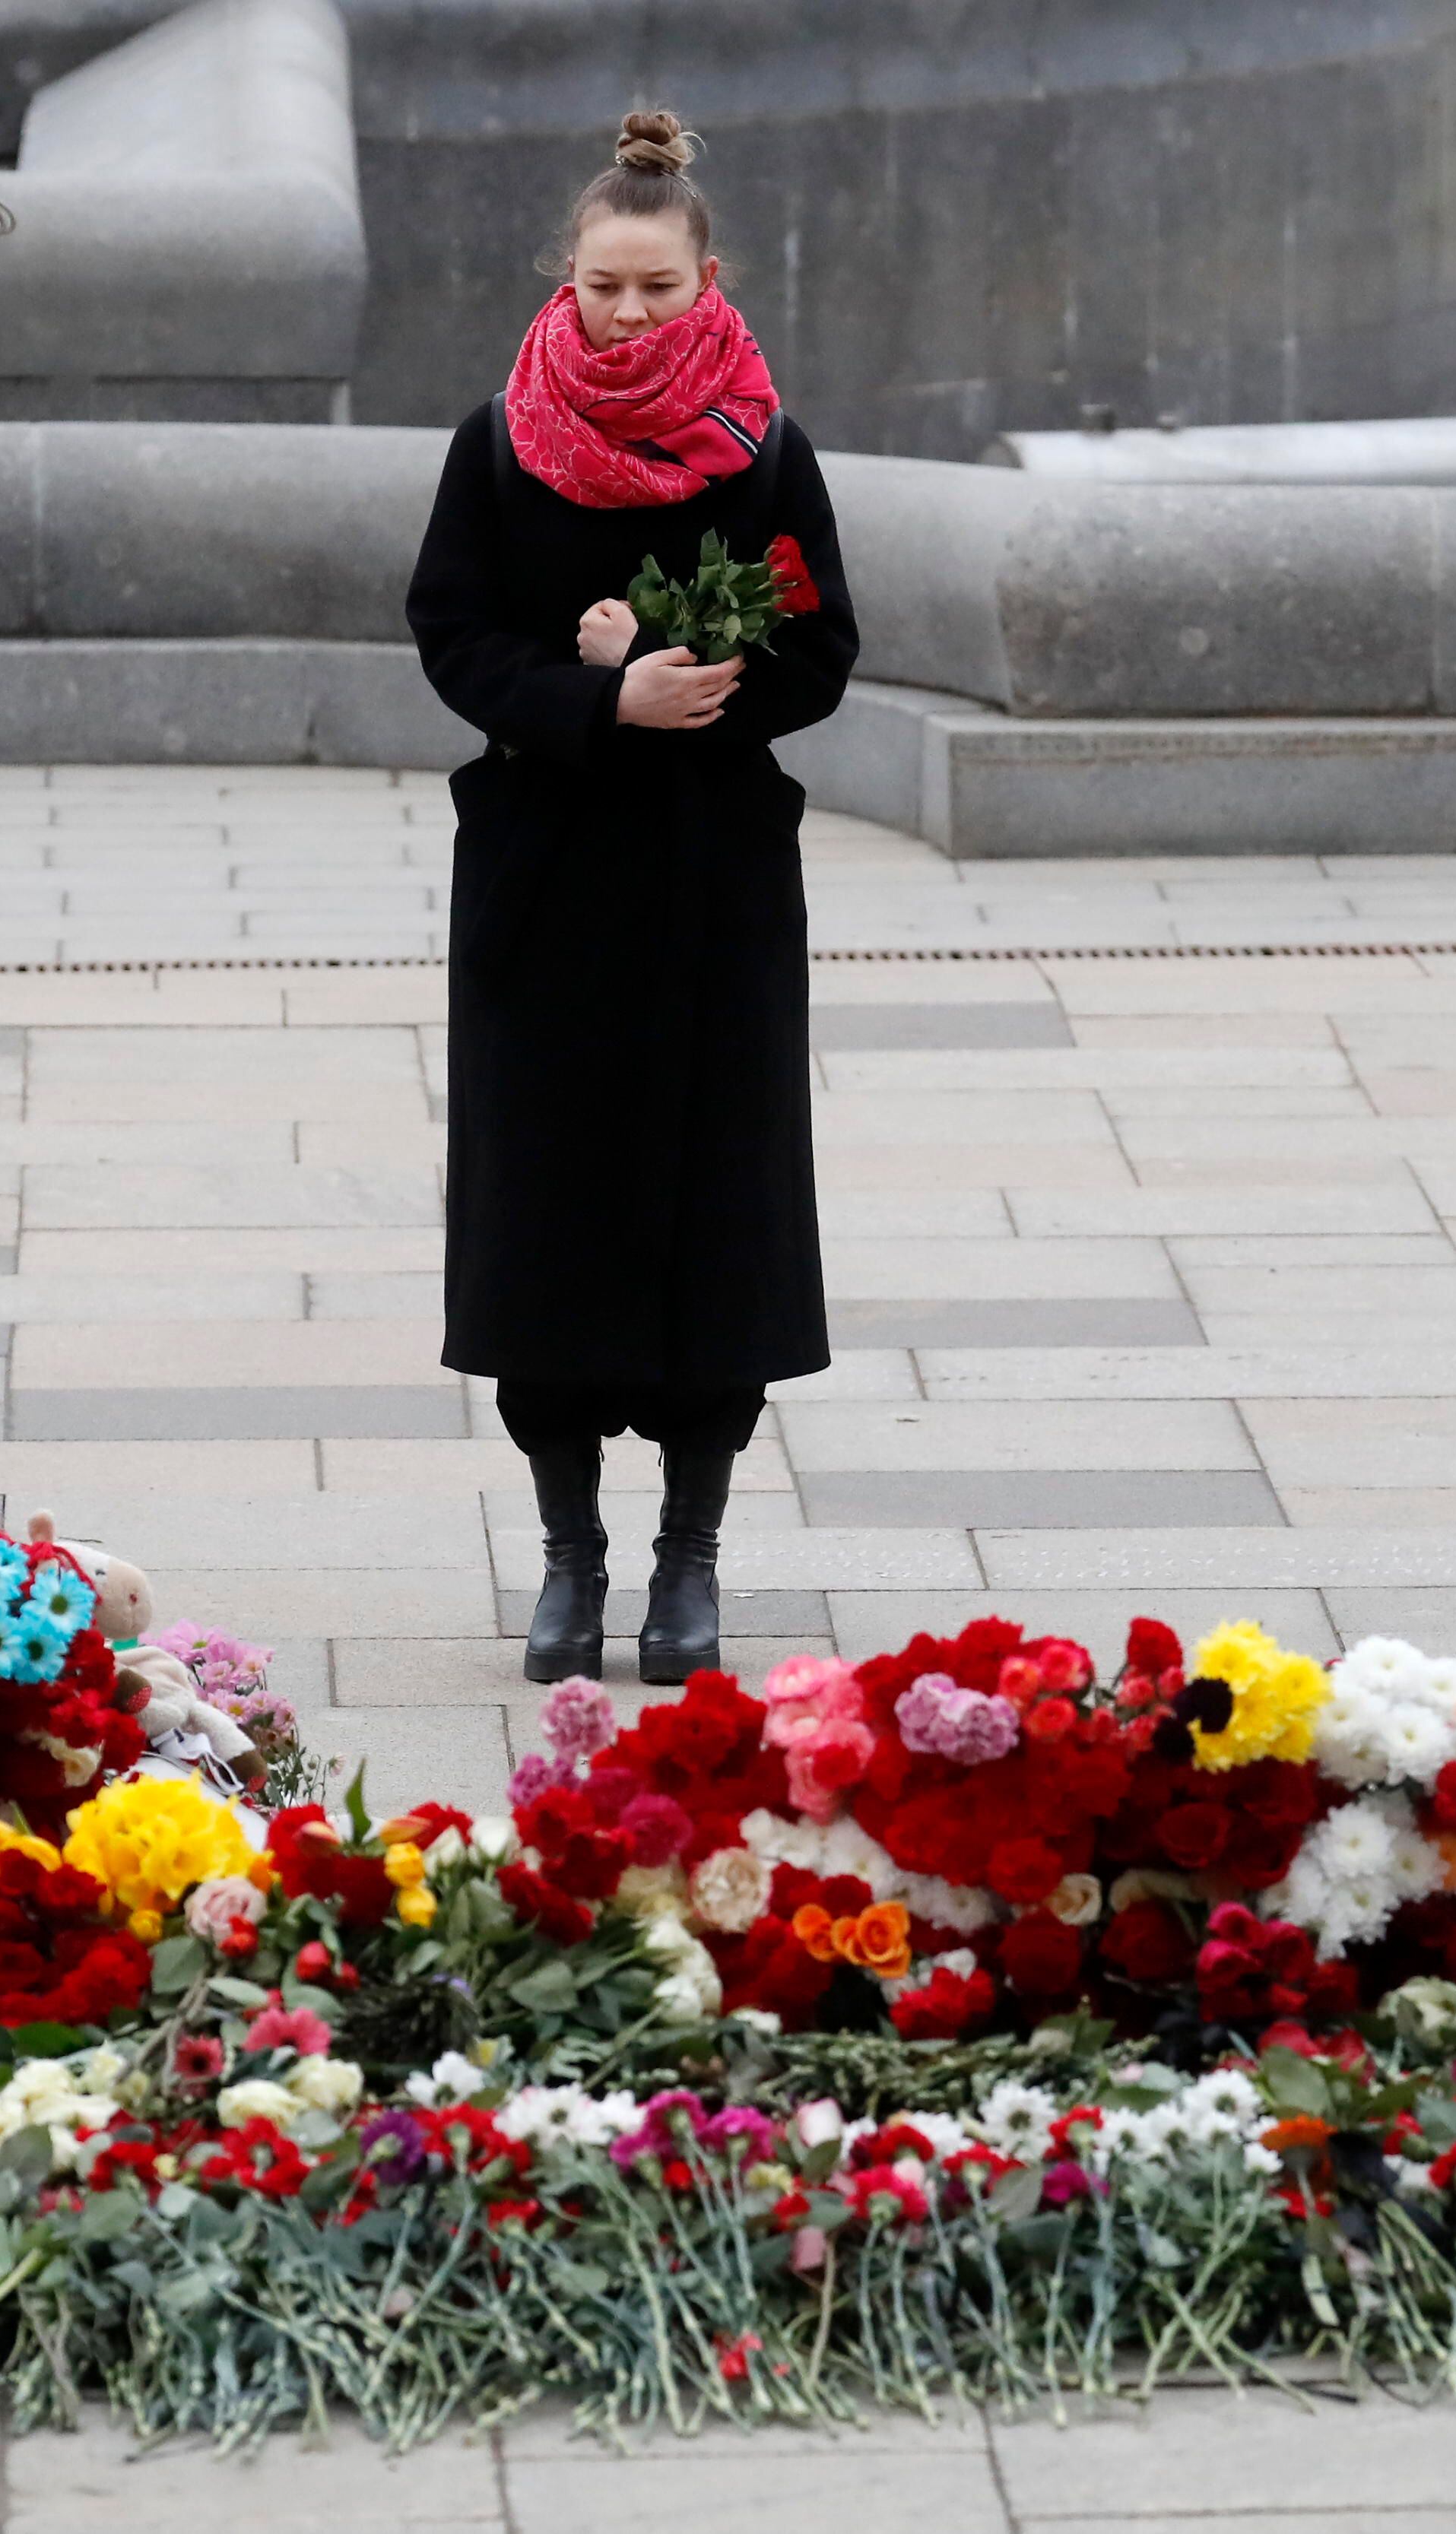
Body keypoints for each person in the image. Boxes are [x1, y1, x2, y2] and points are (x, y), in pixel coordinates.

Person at [403, 109, 859, 1688]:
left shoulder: (763, 447)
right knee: (545, 1223)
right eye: (605, 286)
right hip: (544, 885)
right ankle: (570, 1554)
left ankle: (689, 1557)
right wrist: (595, 700)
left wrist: (699, 685)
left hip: (713, 888)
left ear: (707, 276)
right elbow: (451, 632)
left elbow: (823, 649)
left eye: (657, 289)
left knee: (712, 1221)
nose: (628, 315)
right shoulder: (499, 437)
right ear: (568, 276)